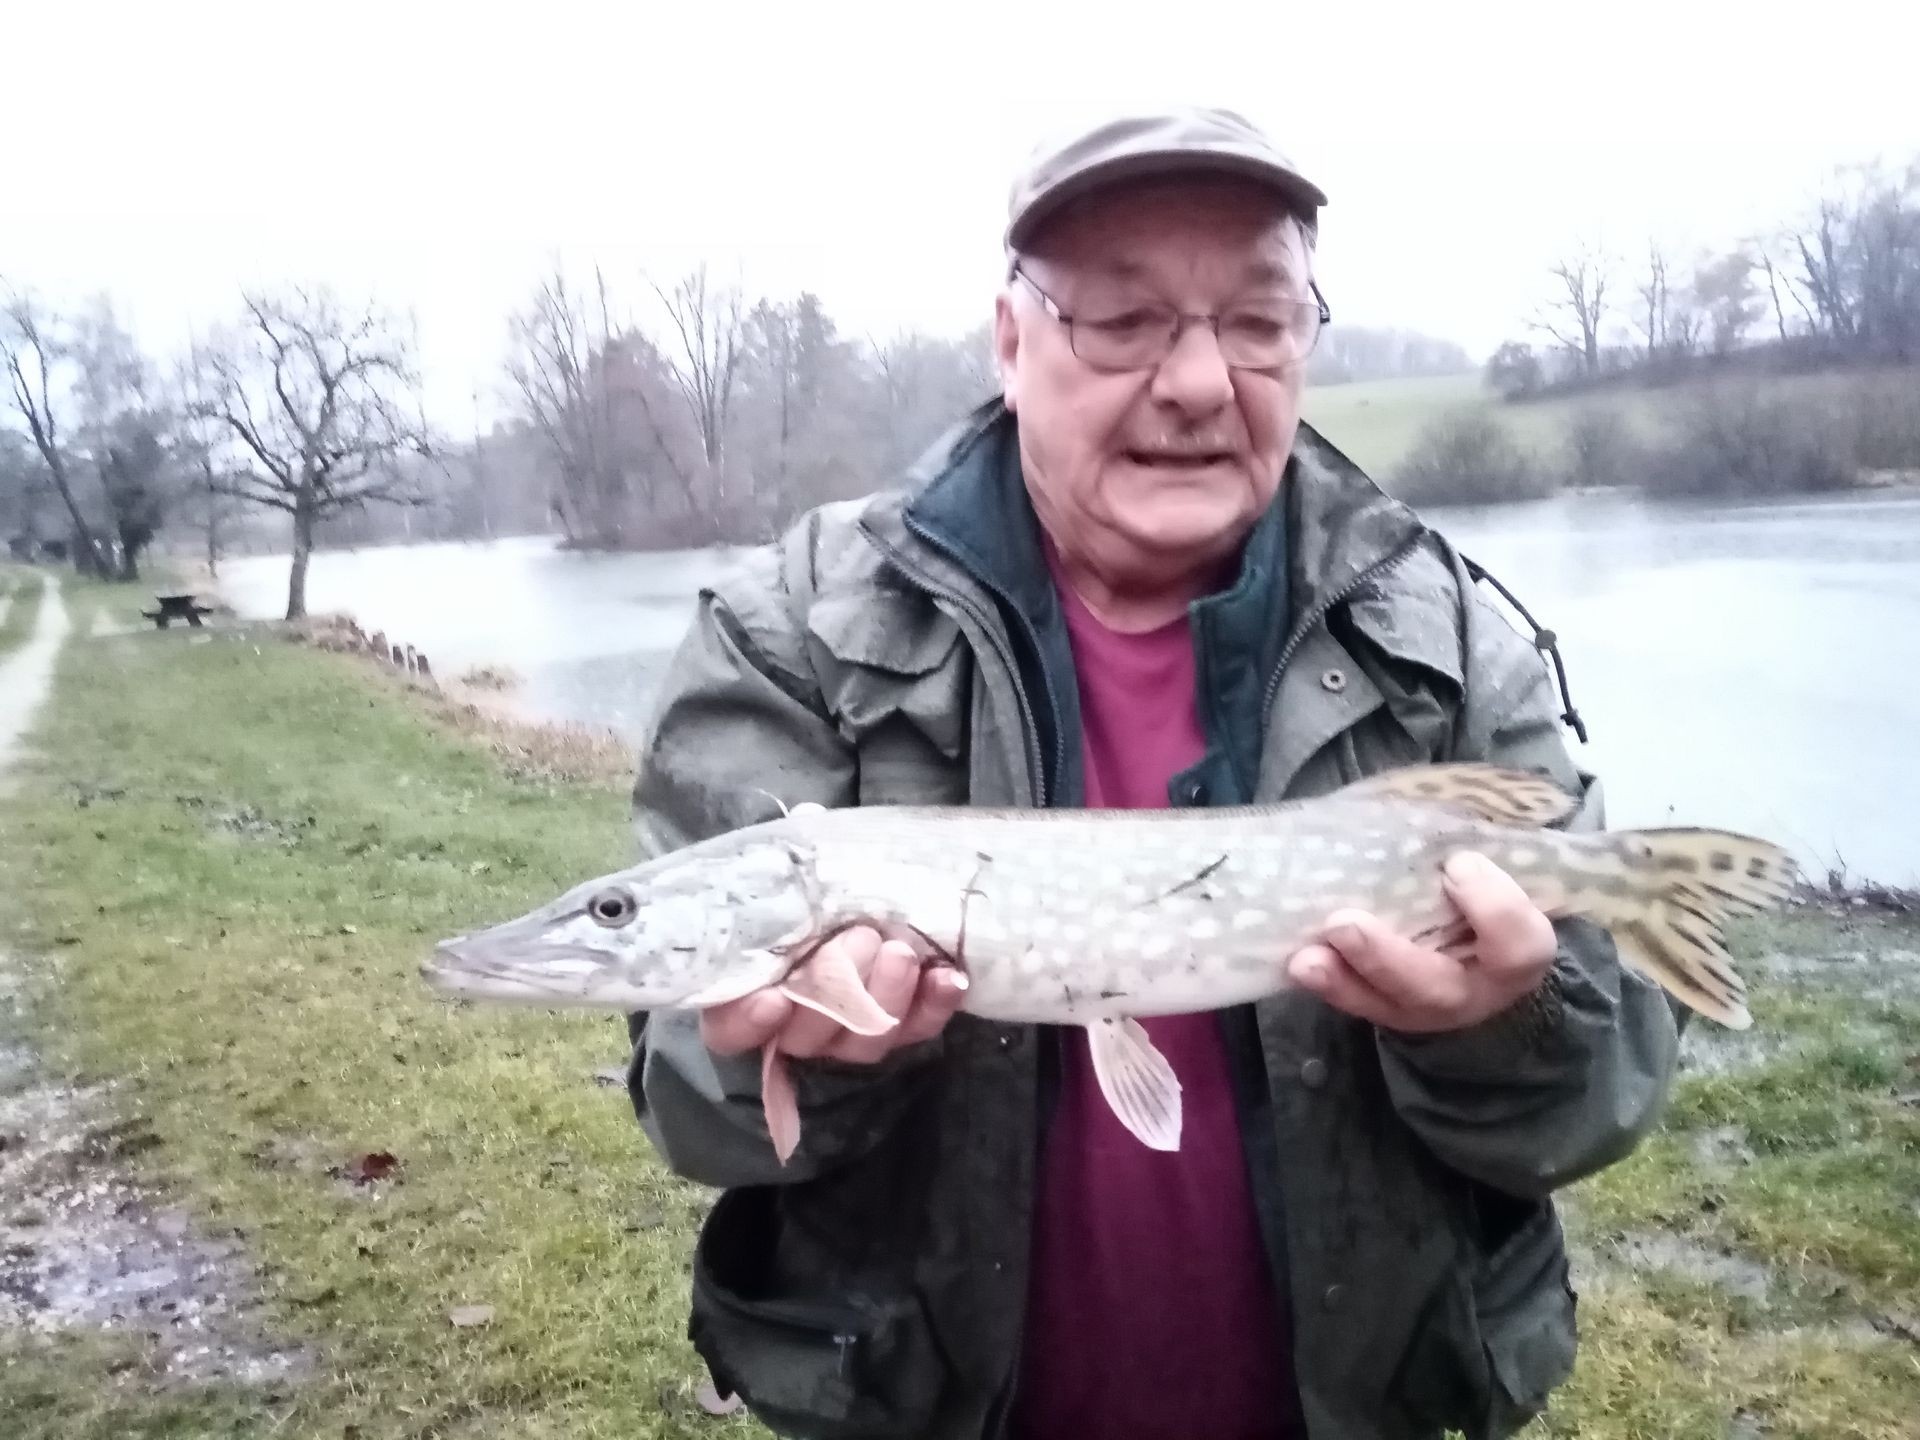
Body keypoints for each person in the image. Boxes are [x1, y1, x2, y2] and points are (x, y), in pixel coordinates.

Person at [623, 107, 1680, 1440]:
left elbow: (1600, 1093)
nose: (1196, 383)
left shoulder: (1448, 640)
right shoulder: (795, 635)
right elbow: (685, 1097)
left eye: (1257, 321)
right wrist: (809, 1065)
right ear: (1011, 344)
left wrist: (1496, 1026)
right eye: (1122, 322)